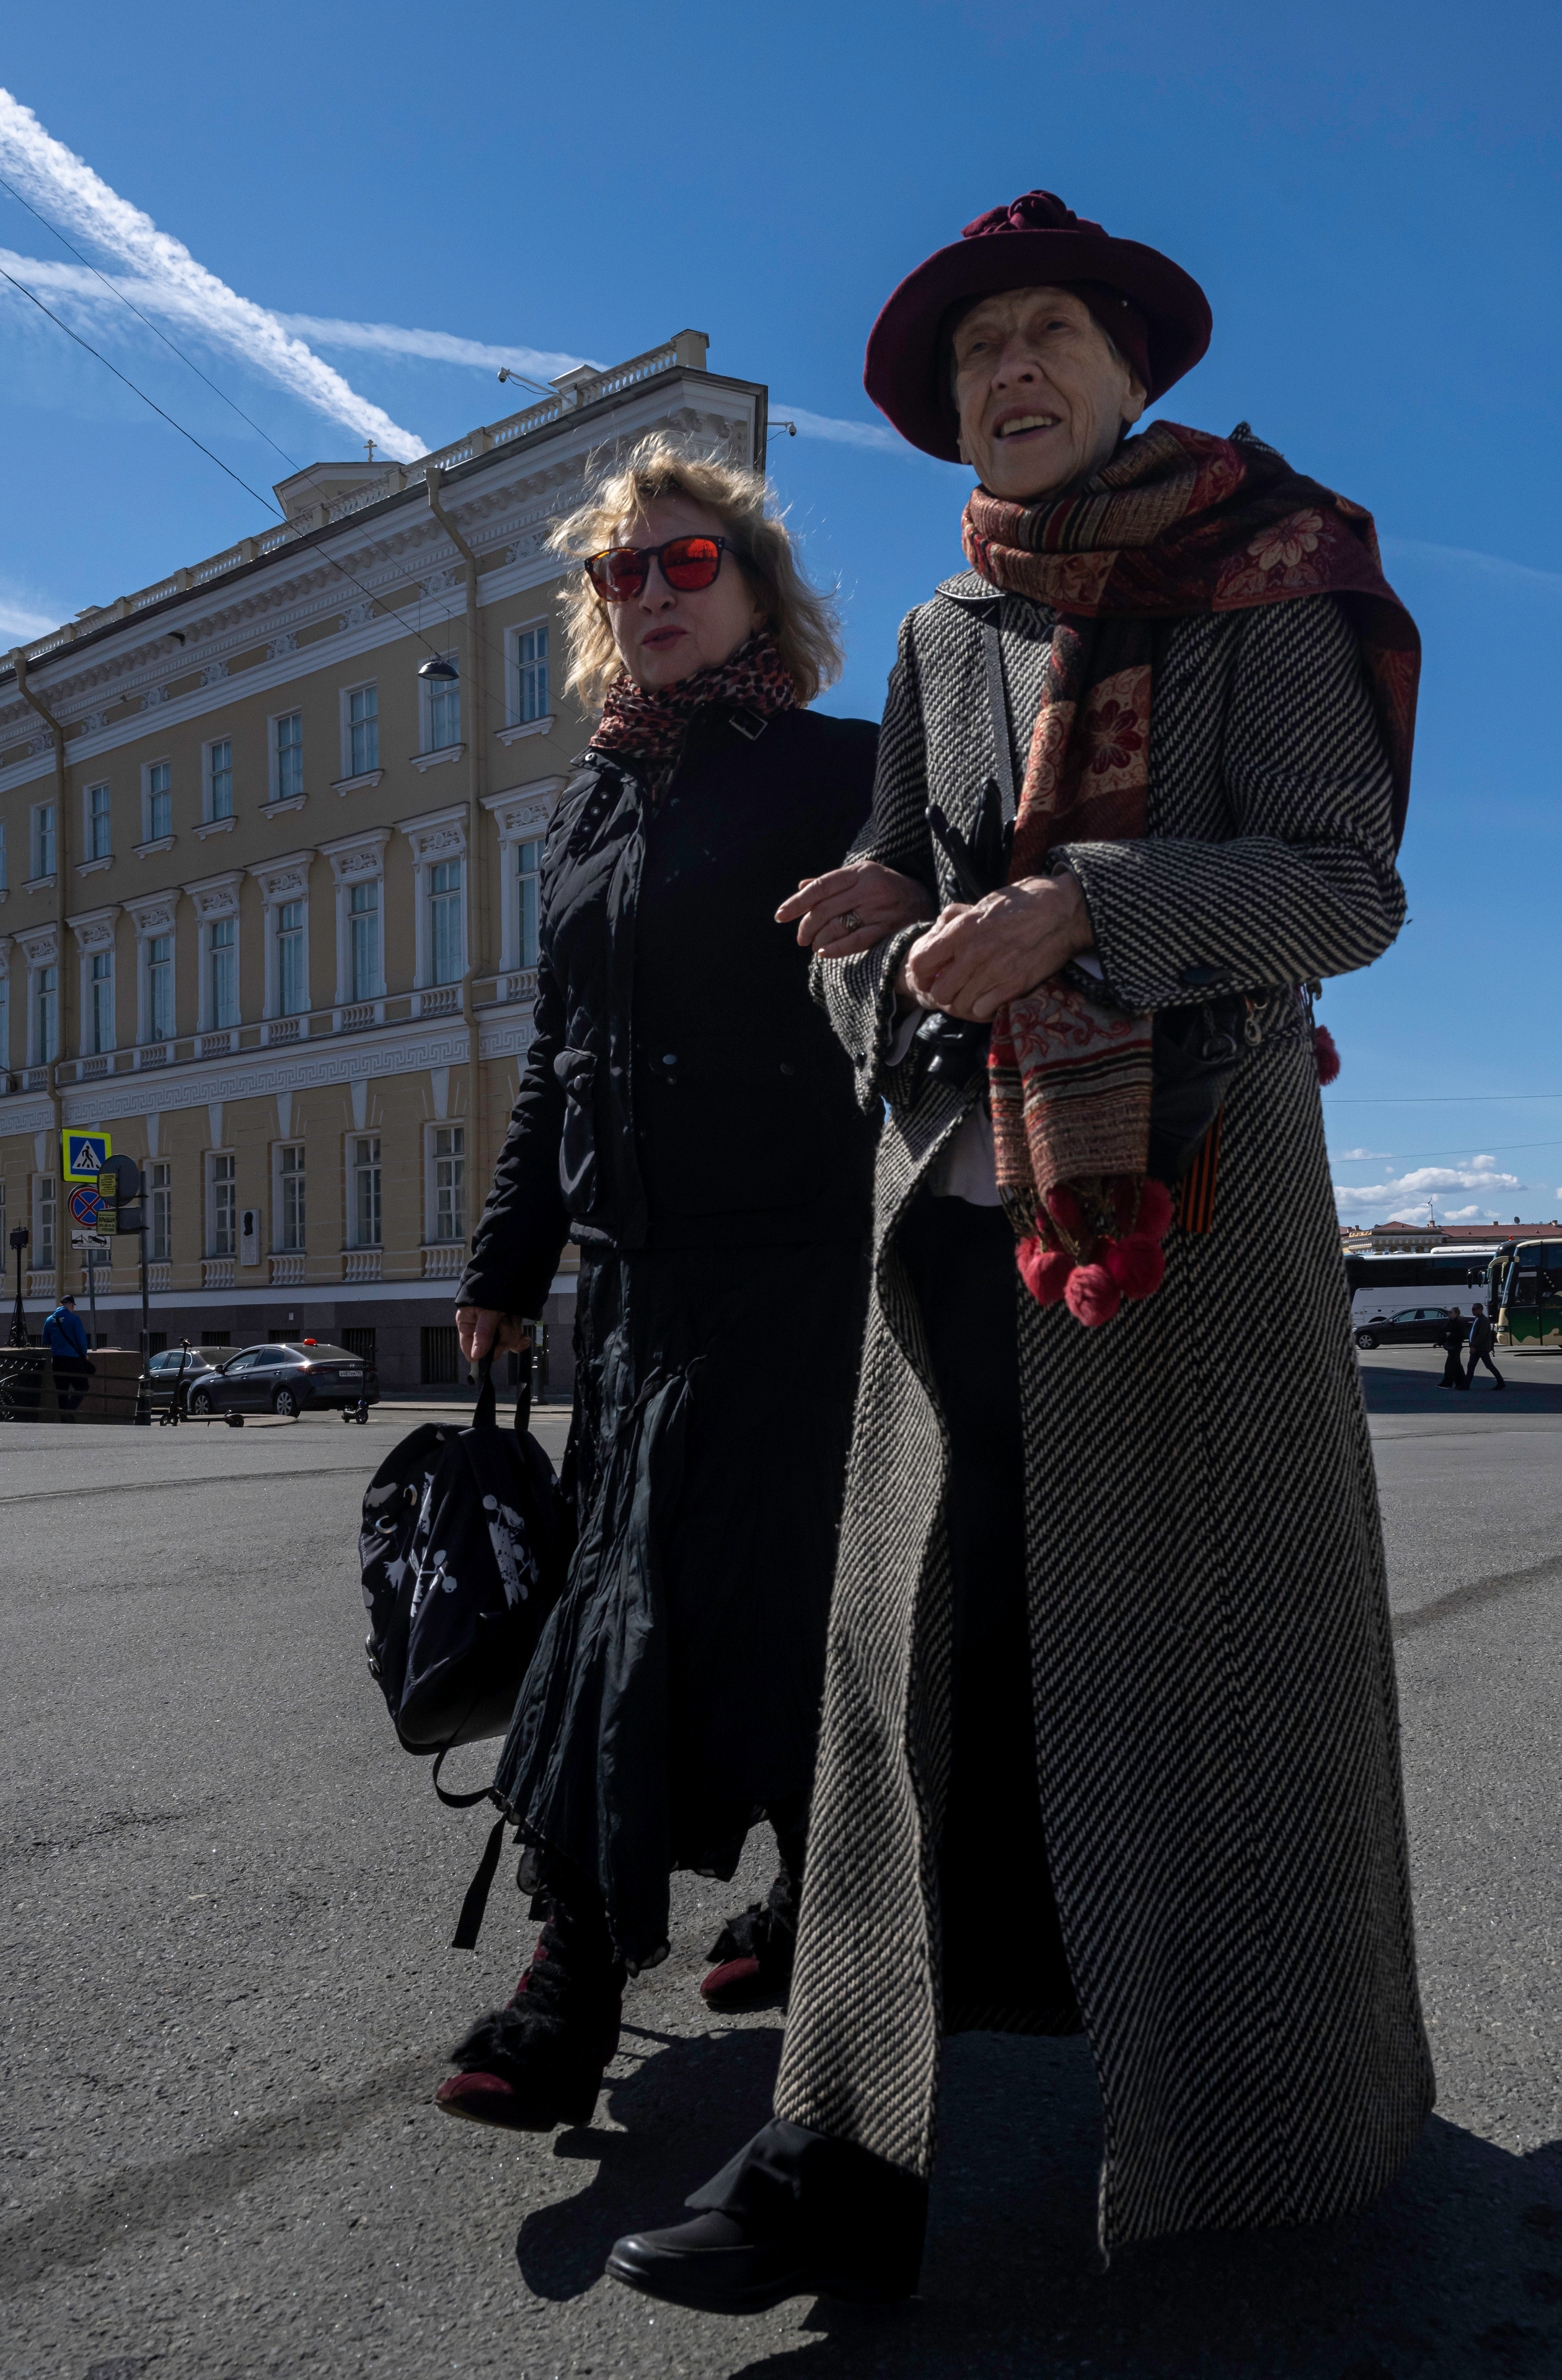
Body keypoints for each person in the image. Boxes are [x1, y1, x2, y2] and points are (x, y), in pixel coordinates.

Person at [607, 185, 1434, 2312]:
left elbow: (1343, 889)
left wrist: (1089, 912)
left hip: (1193, 1237)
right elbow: (878, 900)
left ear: (1137, 368)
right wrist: (880, 961)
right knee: (907, 1687)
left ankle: (1263, 2135)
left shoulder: (1283, 576)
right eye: (978, 355)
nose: (1012, 371)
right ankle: (844, 2144)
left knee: (1201, 1685)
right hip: (951, 1228)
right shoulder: (940, 638)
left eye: (1051, 331)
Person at [439, 434, 881, 2133]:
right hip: (632, 1291)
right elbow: (564, 1046)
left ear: (760, 590)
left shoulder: (844, 766)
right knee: (611, 1614)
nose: (650, 596)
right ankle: (581, 1955)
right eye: (623, 573)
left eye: (689, 565)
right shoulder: (593, 802)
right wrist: (506, 1256)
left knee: (793, 1613)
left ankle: (804, 1900)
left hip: (805, 1274)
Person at [42, 1292, 90, 1418]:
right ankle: (68, 1411)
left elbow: (45, 1340)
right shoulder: (74, 1319)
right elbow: (82, 1340)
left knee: (62, 1391)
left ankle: (64, 1419)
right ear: (72, 1305)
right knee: (83, 1386)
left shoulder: (49, 1320)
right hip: (73, 1359)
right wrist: (84, 1354)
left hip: (57, 1359)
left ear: (61, 1305)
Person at [1466, 1302, 1504, 1390]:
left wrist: (1474, 1346)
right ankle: (1466, 1385)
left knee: (1488, 1365)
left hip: (1481, 1348)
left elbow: (1482, 1335)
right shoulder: (1478, 1319)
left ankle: (1501, 1382)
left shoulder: (1483, 1320)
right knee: (1471, 1366)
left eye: (1474, 1309)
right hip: (1478, 1348)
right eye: (1472, 1309)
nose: (1473, 1311)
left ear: (1480, 1310)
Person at [1437, 1306, 1468, 1390]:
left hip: (1455, 1346)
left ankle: (1447, 1383)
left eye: (1451, 1312)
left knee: (1450, 1366)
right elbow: (1444, 1333)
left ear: (1456, 1314)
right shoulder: (1450, 1322)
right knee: (1457, 1365)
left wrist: (1450, 1335)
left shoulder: (1458, 1323)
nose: (1449, 1314)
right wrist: (1439, 1342)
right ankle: (1461, 1383)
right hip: (1452, 1346)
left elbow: (1462, 1335)